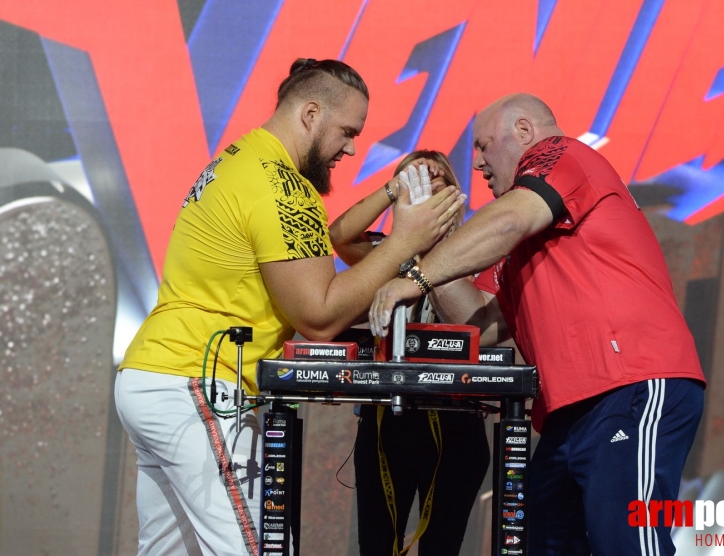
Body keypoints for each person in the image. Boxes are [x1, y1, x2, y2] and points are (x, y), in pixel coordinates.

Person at [114, 58, 465, 556]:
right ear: (310, 113)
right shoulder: (283, 187)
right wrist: (404, 240)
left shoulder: (237, 161)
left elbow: (320, 250)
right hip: (197, 382)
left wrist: (392, 193)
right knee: (260, 549)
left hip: (153, 376)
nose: (352, 147)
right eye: (347, 131)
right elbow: (318, 316)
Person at [368, 93, 706, 555]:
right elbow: (480, 324)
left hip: (631, 385)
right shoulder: (523, 236)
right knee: (541, 543)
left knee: (627, 545)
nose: (480, 164)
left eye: (485, 146)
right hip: (570, 410)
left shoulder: (561, 156)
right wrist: (425, 245)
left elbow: (508, 219)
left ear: (524, 132)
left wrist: (415, 279)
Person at [329, 150, 490, 556]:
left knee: (442, 547)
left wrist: (433, 253)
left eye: (437, 187)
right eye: (415, 187)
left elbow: (483, 327)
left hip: (457, 423)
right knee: (377, 546)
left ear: (456, 197)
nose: (426, 195)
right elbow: (339, 235)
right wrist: (392, 189)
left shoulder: (483, 256)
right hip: (388, 421)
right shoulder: (386, 256)